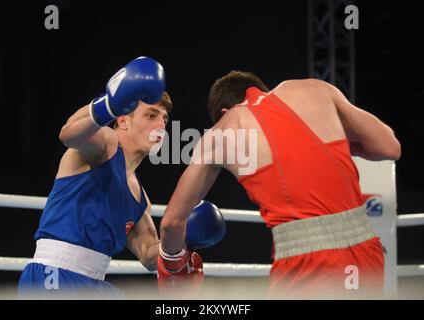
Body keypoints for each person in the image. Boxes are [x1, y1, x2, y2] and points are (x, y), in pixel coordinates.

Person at [158, 71, 401, 298]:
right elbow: (389, 147)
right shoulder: (315, 89)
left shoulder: (222, 132)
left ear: (224, 112)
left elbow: (172, 222)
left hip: (306, 260)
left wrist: (173, 269)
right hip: (366, 249)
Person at [18, 56, 171, 298]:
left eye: (164, 118)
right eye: (151, 116)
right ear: (122, 120)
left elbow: (149, 254)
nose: (160, 125)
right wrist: (107, 106)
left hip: (94, 283)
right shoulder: (106, 144)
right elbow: (69, 135)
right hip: (54, 274)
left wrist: (183, 238)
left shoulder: (141, 197)